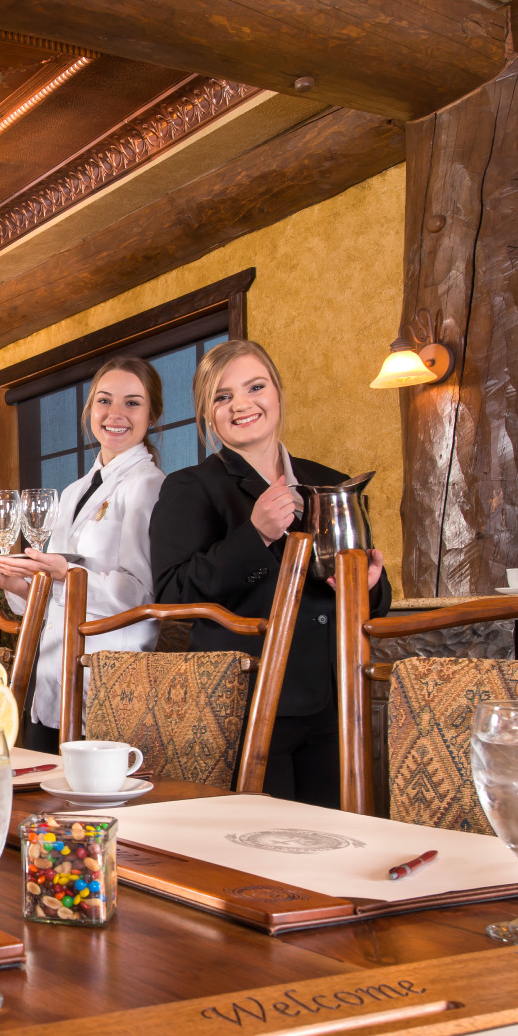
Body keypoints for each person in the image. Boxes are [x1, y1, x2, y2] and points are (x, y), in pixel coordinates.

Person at [148, 339, 390, 806]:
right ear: (207, 413)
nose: (241, 404)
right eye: (222, 396)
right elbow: (172, 596)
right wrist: (254, 536)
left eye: (255, 386)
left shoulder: (331, 481)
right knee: (262, 851)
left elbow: (371, 594)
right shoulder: (191, 487)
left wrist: (370, 587)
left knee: (337, 846)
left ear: (276, 392)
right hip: (247, 702)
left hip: (339, 703)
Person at [0, 356, 166, 753]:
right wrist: (20, 586)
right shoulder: (74, 491)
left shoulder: (148, 484)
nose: (115, 414)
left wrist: (67, 575)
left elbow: (141, 595)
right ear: (89, 410)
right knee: (45, 804)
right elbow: (55, 594)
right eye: (104, 401)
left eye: (132, 403)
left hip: (110, 674)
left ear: (153, 413)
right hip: (51, 673)